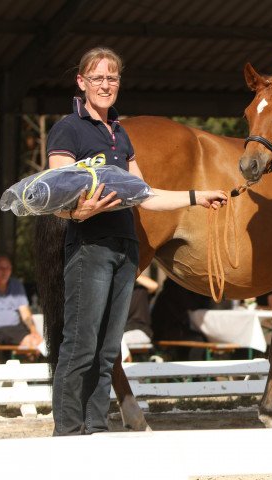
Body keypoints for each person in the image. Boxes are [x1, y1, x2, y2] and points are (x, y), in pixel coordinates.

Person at [47, 46, 227, 436]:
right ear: (82, 82)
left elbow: (145, 193)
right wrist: (77, 213)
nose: (106, 85)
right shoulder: (68, 129)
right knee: (81, 344)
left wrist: (197, 196)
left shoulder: (121, 134)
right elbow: (54, 194)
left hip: (125, 248)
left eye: (112, 78)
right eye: (98, 78)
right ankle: (66, 431)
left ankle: (96, 427)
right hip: (89, 247)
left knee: (108, 348)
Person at [0, 255, 42, 364]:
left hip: (15, 329)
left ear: (11, 270)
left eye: (7, 268)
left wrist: (34, 332)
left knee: (34, 346)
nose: (4, 272)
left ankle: (22, 379)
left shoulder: (17, 286)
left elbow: (26, 314)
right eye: (1, 268)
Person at [120, 272, 159, 361]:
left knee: (117, 340)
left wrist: (129, 272)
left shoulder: (141, 289)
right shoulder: (118, 293)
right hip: (123, 331)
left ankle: (124, 366)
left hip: (140, 331)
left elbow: (154, 285)